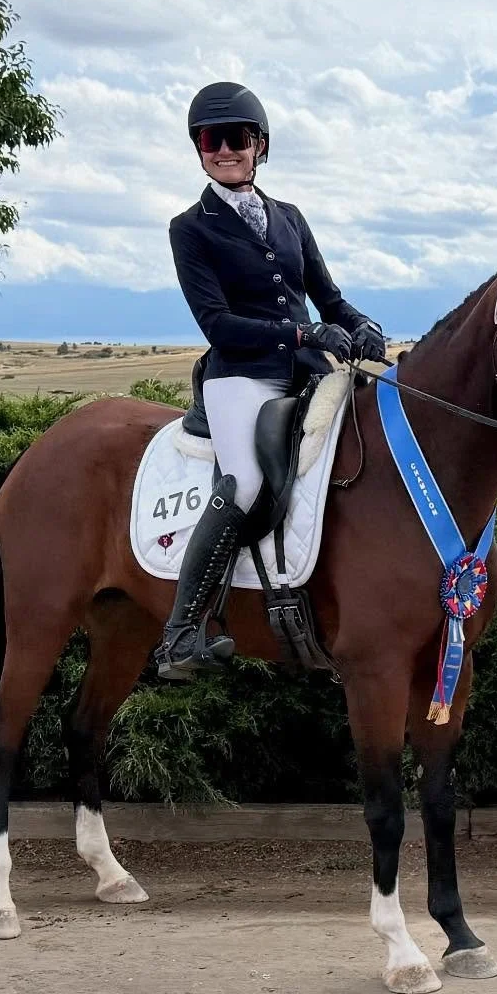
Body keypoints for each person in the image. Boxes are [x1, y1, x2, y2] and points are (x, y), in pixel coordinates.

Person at [155, 82, 386, 679]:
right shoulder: (190, 228)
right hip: (242, 377)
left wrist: (362, 326)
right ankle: (181, 635)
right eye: (210, 140)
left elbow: (329, 298)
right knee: (246, 484)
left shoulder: (289, 217)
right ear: (198, 149)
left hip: (309, 372)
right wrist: (303, 335)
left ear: (259, 145)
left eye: (236, 138)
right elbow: (217, 324)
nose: (223, 150)